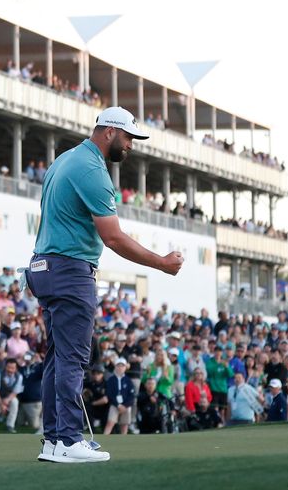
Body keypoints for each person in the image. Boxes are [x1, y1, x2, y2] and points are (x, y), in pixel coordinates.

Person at [27, 107, 181, 464]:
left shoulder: (66, 159)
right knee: (72, 358)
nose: (130, 146)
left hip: (44, 267)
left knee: (57, 357)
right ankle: (67, 439)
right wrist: (160, 263)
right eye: (128, 137)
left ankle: (53, 441)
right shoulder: (93, 169)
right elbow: (112, 237)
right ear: (109, 131)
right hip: (69, 270)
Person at [104, 358, 135, 435]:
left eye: (122, 366)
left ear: (125, 368)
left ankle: (124, 441)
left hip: (126, 406)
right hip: (115, 404)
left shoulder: (128, 380)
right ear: (115, 367)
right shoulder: (111, 380)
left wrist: (125, 405)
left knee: (124, 425)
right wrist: (118, 405)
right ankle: (103, 440)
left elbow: (131, 396)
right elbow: (109, 394)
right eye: (118, 365)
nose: (120, 367)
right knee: (110, 422)